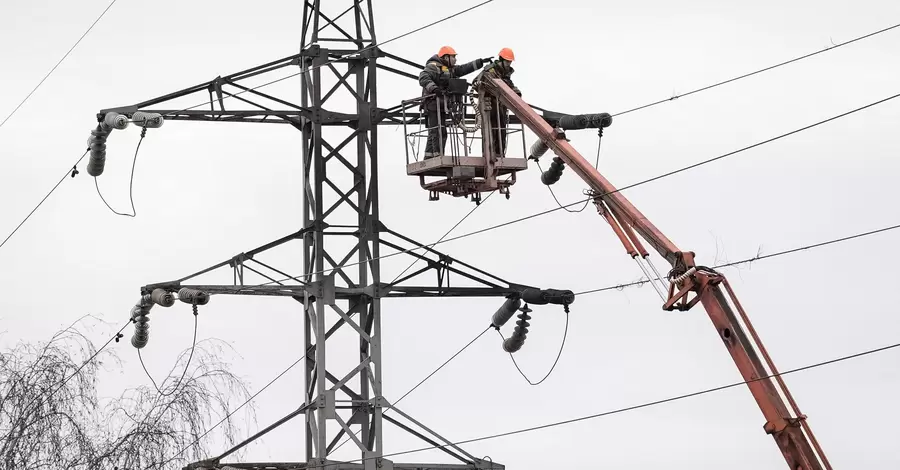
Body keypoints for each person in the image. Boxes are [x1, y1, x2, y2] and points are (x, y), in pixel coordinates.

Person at [418, 46, 487, 158]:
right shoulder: (433, 67)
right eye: (453, 56)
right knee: (438, 131)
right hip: (432, 104)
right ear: (445, 57)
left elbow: (463, 69)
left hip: (441, 104)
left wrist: (479, 63)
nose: (455, 59)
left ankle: (429, 156)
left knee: (435, 131)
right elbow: (423, 77)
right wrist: (434, 89)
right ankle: (437, 156)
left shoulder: (448, 69)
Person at [473, 48, 520, 158]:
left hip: (500, 106)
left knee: (501, 130)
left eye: (510, 62)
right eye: (507, 61)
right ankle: (489, 155)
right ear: (501, 60)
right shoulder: (490, 71)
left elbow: (509, 85)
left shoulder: (505, 73)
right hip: (489, 105)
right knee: (490, 131)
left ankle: (499, 154)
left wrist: (517, 93)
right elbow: (476, 83)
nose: (509, 64)